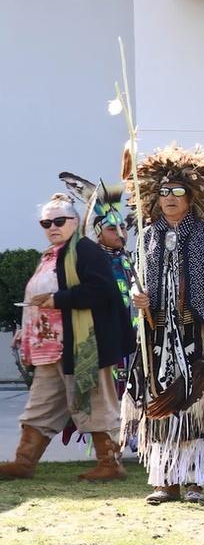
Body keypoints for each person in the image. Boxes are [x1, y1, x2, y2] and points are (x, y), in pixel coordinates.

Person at [123, 145, 204, 504]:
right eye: (163, 192)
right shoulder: (146, 235)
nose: (168, 198)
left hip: (193, 332)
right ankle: (164, 480)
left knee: (193, 402)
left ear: (191, 196)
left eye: (177, 192)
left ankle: (195, 480)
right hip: (155, 333)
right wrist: (137, 300)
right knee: (158, 402)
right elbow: (135, 282)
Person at [0, 193, 134, 481]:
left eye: (59, 220)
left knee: (95, 402)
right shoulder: (52, 254)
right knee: (41, 405)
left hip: (83, 347)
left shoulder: (85, 250)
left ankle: (110, 464)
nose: (52, 227)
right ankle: (24, 462)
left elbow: (102, 291)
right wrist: (27, 332)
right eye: (45, 222)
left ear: (75, 222)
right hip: (50, 348)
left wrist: (59, 299)